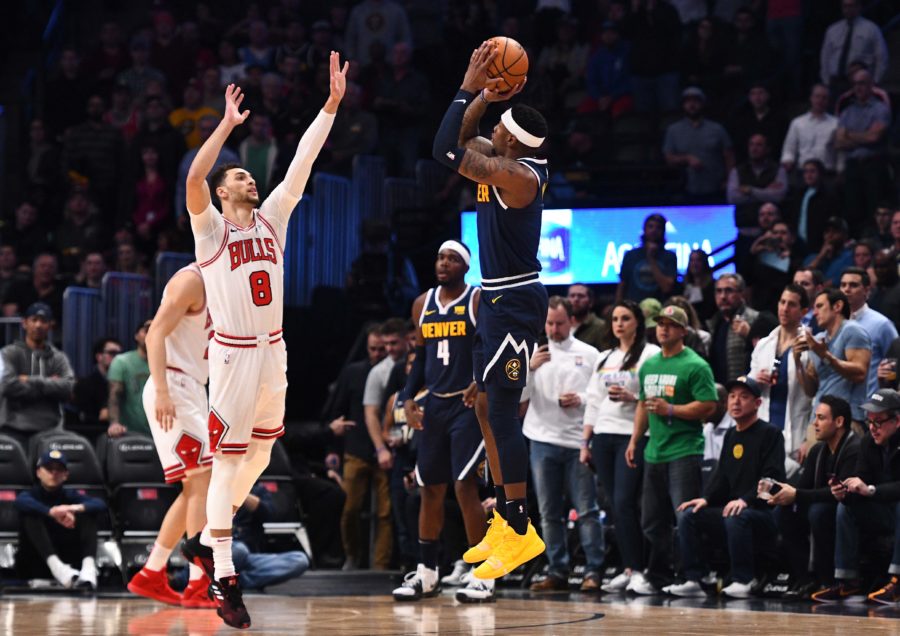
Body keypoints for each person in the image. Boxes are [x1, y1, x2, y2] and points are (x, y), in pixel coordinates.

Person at [180, 53, 347, 629]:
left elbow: (302, 161)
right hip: (230, 355)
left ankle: (205, 539)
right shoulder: (211, 230)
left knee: (256, 455)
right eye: (239, 177)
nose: (249, 179)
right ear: (224, 194)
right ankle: (223, 576)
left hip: (274, 350)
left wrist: (329, 106)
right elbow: (194, 178)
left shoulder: (273, 217)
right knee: (229, 460)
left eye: (248, 174)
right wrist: (225, 126)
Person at [432, 41, 550, 581]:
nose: (491, 128)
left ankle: (520, 530)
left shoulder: (518, 177)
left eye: (498, 125)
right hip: (497, 298)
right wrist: (481, 94)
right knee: (484, 408)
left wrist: (463, 86)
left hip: (517, 301)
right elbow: (458, 139)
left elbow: (444, 151)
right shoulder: (502, 159)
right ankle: (505, 518)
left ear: (508, 141)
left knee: (502, 411)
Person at [392, 242, 492, 603]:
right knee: (429, 488)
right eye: (439, 257)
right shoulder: (422, 303)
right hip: (434, 404)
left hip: (467, 407)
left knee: (465, 486)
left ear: (465, 266)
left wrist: (479, 380)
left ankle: (483, 574)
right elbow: (418, 359)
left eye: (452, 259)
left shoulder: (477, 300)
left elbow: (489, 347)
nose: (443, 263)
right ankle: (427, 573)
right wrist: (407, 399)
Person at [127, 263, 214, 609]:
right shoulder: (191, 279)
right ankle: (197, 583)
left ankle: (152, 573)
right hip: (174, 385)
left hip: (193, 387)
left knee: (195, 487)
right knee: (201, 482)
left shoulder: (227, 286)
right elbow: (154, 334)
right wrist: (162, 389)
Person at [626, 305, 717, 594]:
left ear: (683, 331)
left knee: (685, 516)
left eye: (670, 324)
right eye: (660, 323)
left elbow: (709, 405)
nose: (663, 328)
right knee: (651, 520)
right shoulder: (650, 365)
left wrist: (672, 409)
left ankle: (695, 576)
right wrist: (634, 440)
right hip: (654, 450)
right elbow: (643, 404)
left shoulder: (696, 365)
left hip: (684, 449)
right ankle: (660, 576)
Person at [666, 376, 784, 598]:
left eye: (744, 397)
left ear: (758, 403)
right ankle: (695, 578)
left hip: (763, 512)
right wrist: (706, 499)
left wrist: (746, 500)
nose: (736, 402)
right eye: (732, 396)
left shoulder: (770, 434)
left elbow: (773, 479)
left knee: (735, 515)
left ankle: (744, 579)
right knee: (689, 514)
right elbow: (722, 477)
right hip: (733, 510)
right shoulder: (731, 434)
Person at [523, 297, 603, 592]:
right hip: (542, 439)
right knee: (548, 512)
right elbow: (517, 398)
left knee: (587, 510)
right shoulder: (532, 352)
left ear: (571, 321)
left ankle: (593, 571)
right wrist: (529, 369)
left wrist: (580, 399)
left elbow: (599, 395)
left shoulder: (591, 354)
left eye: (559, 323)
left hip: (577, 441)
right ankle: (557, 570)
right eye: (549, 323)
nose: (554, 329)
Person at [581, 300, 660, 592]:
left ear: (637, 322)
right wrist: (584, 442)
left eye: (625, 318)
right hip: (603, 435)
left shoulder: (650, 354)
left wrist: (632, 396)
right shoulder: (605, 357)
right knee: (614, 505)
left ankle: (640, 569)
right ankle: (628, 568)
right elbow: (593, 401)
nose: (619, 324)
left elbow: (652, 393)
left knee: (627, 502)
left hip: (633, 435)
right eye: (615, 319)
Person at [812, 389, 900, 604]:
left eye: (878, 422)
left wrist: (870, 490)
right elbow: (861, 476)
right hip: (882, 510)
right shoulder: (869, 442)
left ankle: (898, 581)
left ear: (897, 420)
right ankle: (848, 581)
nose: (872, 428)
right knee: (845, 507)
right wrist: (846, 491)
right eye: (869, 421)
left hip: (893, 507)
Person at [767, 396, 860, 599]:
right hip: (822, 508)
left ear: (839, 421)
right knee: (783, 513)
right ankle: (804, 578)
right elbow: (802, 489)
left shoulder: (854, 448)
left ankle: (830, 580)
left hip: (851, 508)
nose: (814, 424)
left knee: (819, 512)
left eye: (820, 418)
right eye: (814, 418)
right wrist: (781, 494)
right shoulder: (818, 450)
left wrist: (797, 495)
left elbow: (842, 492)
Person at [324, 325, 388, 570]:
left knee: (385, 514)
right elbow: (336, 411)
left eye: (382, 349)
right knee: (349, 508)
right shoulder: (353, 372)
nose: (377, 354)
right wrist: (332, 448)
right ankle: (352, 555)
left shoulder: (395, 370)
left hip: (385, 449)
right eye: (373, 349)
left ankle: (382, 565)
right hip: (356, 447)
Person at [14, 450, 106, 589]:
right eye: (49, 469)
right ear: (39, 472)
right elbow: (19, 502)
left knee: (88, 513)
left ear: (66, 475)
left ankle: (88, 570)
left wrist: (72, 508)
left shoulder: (70, 494)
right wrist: (51, 512)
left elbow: (100, 504)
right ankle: (57, 568)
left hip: (68, 555)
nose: (54, 473)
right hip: (37, 558)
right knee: (30, 516)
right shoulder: (30, 494)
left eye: (59, 469)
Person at [748, 284, 813, 476]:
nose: (785, 308)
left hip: (796, 433)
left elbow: (815, 393)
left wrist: (810, 438)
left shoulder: (810, 345)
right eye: (782, 302)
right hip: (764, 428)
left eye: (791, 304)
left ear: (803, 311)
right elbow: (749, 389)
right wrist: (755, 381)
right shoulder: (763, 344)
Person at [0, 303, 74, 450]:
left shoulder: (58, 357)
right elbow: (7, 386)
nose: (38, 325)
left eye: (43, 321)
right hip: (13, 428)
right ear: (24, 323)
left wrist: (28, 380)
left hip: (50, 429)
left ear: (50, 325)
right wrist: (49, 384)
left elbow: (68, 388)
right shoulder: (8, 353)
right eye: (34, 320)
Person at [795, 289, 871, 427]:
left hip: (847, 420)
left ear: (837, 306)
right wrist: (797, 362)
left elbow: (860, 373)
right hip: (818, 419)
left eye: (819, 306)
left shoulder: (852, 330)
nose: (815, 313)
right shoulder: (818, 340)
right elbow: (810, 390)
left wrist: (825, 355)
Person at [836, 68, 892, 235]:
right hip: (853, 166)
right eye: (855, 84)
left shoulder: (880, 109)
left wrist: (850, 135)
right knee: (852, 209)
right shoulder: (847, 111)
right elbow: (839, 142)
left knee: (873, 208)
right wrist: (864, 135)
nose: (858, 88)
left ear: (870, 85)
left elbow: (875, 137)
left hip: (873, 165)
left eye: (862, 83)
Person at [231, 483, 309, 590]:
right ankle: (231, 580)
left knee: (300, 560)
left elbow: (268, 514)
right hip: (222, 552)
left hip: (248, 559)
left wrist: (240, 494)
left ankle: (238, 581)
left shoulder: (258, 490)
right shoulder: (212, 487)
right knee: (239, 550)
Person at [663, 87, 734, 201]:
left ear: (702, 104)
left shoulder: (717, 129)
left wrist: (730, 181)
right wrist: (686, 158)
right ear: (683, 105)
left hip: (716, 188)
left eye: (696, 101)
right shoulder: (673, 130)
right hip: (686, 189)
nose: (692, 105)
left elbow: (729, 156)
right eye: (688, 101)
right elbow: (668, 158)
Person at [840, 267, 898, 396]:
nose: (846, 289)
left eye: (853, 285)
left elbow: (895, 362)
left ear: (866, 290)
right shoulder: (834, 323)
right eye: (843, 285)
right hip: (838, 405)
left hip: (870, 407)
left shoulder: (882, 324)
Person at [819, 0, 888, 92]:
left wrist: (875, 81)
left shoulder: (871, 29)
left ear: (859, 7)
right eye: (845, 6)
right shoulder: (833, 30)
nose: (848, 10)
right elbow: (825, 57)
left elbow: (882, 57)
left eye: (851, 6)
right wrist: (826, 81)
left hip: (859, 82)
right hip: (835, 81)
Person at [707, 274, 759, 384]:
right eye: (719, 291)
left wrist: (749, 335)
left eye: (729, 291)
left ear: (742, 293)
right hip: (719, 392)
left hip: (745, 391)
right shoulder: (713, 323)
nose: (723, 296)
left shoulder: (755, 319)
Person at [616, 214, 677, 304]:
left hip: (659, 308)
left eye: (658, 227)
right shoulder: (631, 255)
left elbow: (666, 287)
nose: (654, 230)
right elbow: (622, 285)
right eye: (650, 226)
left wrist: (651, 259)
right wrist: (617, 305)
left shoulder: (669, 257)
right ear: (644, 229)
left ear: (663, 231)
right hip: (634, 307)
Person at [71, 337, 122, 441]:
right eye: (112, 353)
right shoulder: (86, 384)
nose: (117, 358)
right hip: (93, 437)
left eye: (119, 354)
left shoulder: (123, 382)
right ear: (99, 357)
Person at [107, 320, 151, 438]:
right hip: (130, 432)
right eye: (146, 330)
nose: (151, 333)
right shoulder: (122, 361)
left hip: (162, 432)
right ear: (136, 336)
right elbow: (114, 395)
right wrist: (114, 423)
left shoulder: (169, 362)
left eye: (155, 329)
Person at [780, 85, 838, 175]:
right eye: (817, 96)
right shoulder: (797, 123)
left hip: (827, 173)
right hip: (802, 172)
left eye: (824, 98)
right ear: (811, 98)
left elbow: (840, 152)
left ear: (828, 101)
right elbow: (789, 149)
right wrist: (788, 161)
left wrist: (840, 170)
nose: (820, 101)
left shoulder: (836, 123)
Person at [788, 159, 840, 254]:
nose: (808, 175)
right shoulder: (799, 194)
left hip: (818, 245)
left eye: (812, 171)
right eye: (806, 172)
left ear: (820, 173)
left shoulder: (828, 195)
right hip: (798, 245)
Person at [802, 216, 854, 287]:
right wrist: (820, 257)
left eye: (835, 231)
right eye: (827, 231)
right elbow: (802, 278)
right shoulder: (811, 258)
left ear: (845, 236)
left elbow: (838, 282)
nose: (830, 235)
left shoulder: (850, 257)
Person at [567, 284, 606, 351]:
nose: (576, 299)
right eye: (572, 296)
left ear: (591, 302)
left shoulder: (601, 326)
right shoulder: (559, 323)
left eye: (581, 296)